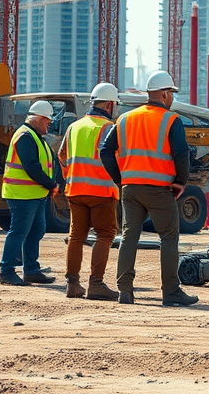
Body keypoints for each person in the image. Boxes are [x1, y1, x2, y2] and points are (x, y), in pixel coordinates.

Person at [100, 70, 198, 307]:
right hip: (159, 189)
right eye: (171, 94)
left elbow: (105, 150)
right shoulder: (171, 120)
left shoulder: (124, 119)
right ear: (164, 94)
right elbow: (181, 153)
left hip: (131, 189)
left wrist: (120, 179)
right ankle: (171, 291)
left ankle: (125, 291)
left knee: (128, 237)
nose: (172, 98)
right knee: (168, 237)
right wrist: (181, 182)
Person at [58, 82, 121, 301]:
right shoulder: (108, 128)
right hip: (101, 191)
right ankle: (96, 284)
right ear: (110, 104)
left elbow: (62, 155)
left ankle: (72, 284)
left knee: (76, 236)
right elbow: (114, 157)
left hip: (75, 190)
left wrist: (70, 177)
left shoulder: (74, 127)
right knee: (105, 235)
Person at [0, 100, 59, 286]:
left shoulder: (33, 135)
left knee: (35, 230)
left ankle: (31, 270)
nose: (49, 125)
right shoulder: (25, 136)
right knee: (19, 232)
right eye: (47, 122)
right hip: (22, 194)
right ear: (39, 118)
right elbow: (31, 166)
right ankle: (7, 271)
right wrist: (50, 184)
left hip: (34, 194)